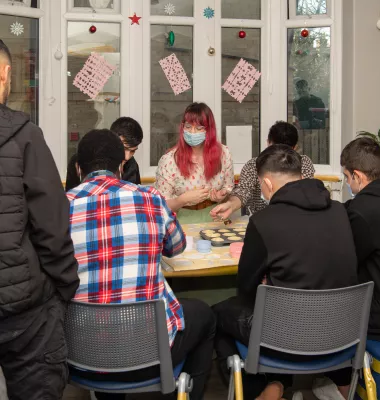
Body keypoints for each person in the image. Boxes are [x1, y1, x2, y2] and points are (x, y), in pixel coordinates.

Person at [67, 129, 216, 400]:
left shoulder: (59, 208)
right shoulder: (150, 199)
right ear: (122, 166)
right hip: (149, 347)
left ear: (78, 169)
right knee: (205, 316)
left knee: (102, 327)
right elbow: (177, 246)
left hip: (81, 351)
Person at [213, 145, 358, 400]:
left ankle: (259, 390)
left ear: (267, 183)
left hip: (286, 337)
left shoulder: (264, 221)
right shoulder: (340, 211)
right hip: (341, 333)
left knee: (218, 313)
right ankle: (278, 385)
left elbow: (246, 287)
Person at [0, 39, 80, 399]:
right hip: (25, 309)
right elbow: (51, 226)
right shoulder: (24, 137)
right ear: (6, 74)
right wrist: (64, 286)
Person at [341, 137, 380, 341]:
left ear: (357, 176)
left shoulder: (364, 211)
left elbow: (347, 263)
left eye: (347, 177)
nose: (347, 183)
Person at [210, 121, 314, 220]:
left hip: (295, 220)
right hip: (262, 221)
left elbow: (307, 195)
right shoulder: (254, 164)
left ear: (268, 142)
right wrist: (230, 205)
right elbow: (242, 193)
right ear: (295, 147)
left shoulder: (303, 163)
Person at [155, 102, 234, 224]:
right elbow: (160, 206)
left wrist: (221, 196)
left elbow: (228, 190)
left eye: (199, 128)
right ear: (182, 127)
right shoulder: (169, 160)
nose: (192, 132)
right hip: (182, 221)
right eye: (188, 127)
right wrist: (182, 200)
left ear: (209, 130)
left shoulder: (224, 153)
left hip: (216, 218)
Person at [65, 116, 143, 191]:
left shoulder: (132, 164)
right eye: (124, 148)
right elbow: (69, 197)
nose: (127, 157)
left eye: (133, 151)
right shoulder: (83, 158)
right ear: (112, 138)